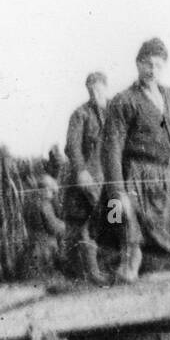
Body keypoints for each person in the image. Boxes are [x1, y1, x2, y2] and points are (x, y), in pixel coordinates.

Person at [102, 38, 170, 282]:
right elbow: (112, 150)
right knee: (128, 224)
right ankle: (128, 271)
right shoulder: (123, 101)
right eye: (147, 64)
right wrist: (117, 192)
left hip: (169, 174)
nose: (152, 70)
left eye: (158, 65)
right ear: (138, 65)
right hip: (137, 175)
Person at [63, 72, 110, 284]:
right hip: (87, 181)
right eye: (91, 89)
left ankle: (110, 265)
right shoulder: (80, 114)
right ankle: (90, 271)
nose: (95, 93)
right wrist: (81, 170)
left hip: (111, 180)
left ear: (106, 88)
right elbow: (72, 146)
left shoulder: (114, 111)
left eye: (98, 88)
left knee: (114, 220)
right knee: (84, 225)